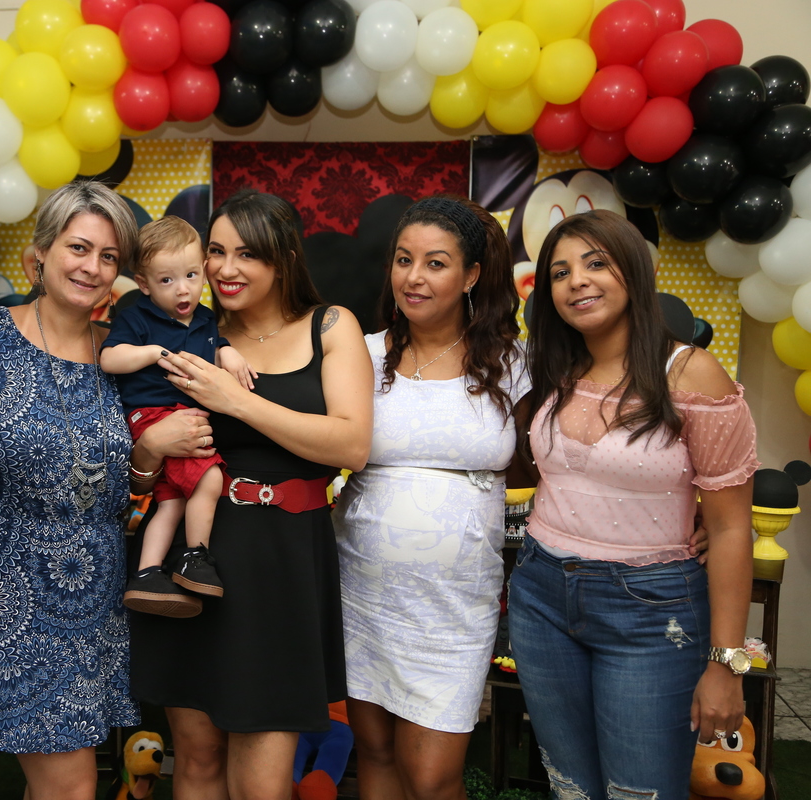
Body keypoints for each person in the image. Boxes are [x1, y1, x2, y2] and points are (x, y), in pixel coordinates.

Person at [129, 189, 373, 800]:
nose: (224, 269)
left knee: (264, 779)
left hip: (284, 557)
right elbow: (140, 447)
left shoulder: (329, 325)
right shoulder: (193, 329)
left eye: (247, 254)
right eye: (215, 251)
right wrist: (150, 449)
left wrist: (236, 401)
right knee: (197, 758)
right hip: (198, 552)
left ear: (284, 258)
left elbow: (351, 445)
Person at [510, 210, 757, 799]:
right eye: (560, 272)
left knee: (640, 792)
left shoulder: (691, 374)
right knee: (570, 787)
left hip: (652, 609)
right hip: (541, 594)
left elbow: (730, 529)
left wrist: (726, 663)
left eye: (596, 263)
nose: (577, 281)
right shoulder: (554, 367)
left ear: (634, 272)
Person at [0, 181, 168, 800]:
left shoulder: (123, 355)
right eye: (79, 247)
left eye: (109, 257)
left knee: (59, 782)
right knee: (71, 787)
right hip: (11, 596)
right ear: (42, 252)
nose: (92, 267)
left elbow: (129, 485)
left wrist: (150, 455)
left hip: (98, 597)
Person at [331, 196, 524, 800]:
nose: (413, 277)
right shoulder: (361, 354)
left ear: (470, 276)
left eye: (435, 263)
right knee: (376, 755)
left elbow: (565, 457)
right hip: (362, 591)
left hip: (454, 606)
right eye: (403, 260)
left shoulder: (513, 364)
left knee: (433, 779)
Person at [101, 216, 254, 617]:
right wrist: (153, 353)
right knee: (211, 478)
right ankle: (194, 556)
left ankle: (147, 574)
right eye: (166, 280)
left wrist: (227, 351)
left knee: (171, 503)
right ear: (144, 284)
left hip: (186, 415)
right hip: (152, 414)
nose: (182, 289)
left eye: (190, 275)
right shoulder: (137, 318)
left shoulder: (205, 318)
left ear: (203, 269)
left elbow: (213, 345)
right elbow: (110, 359)